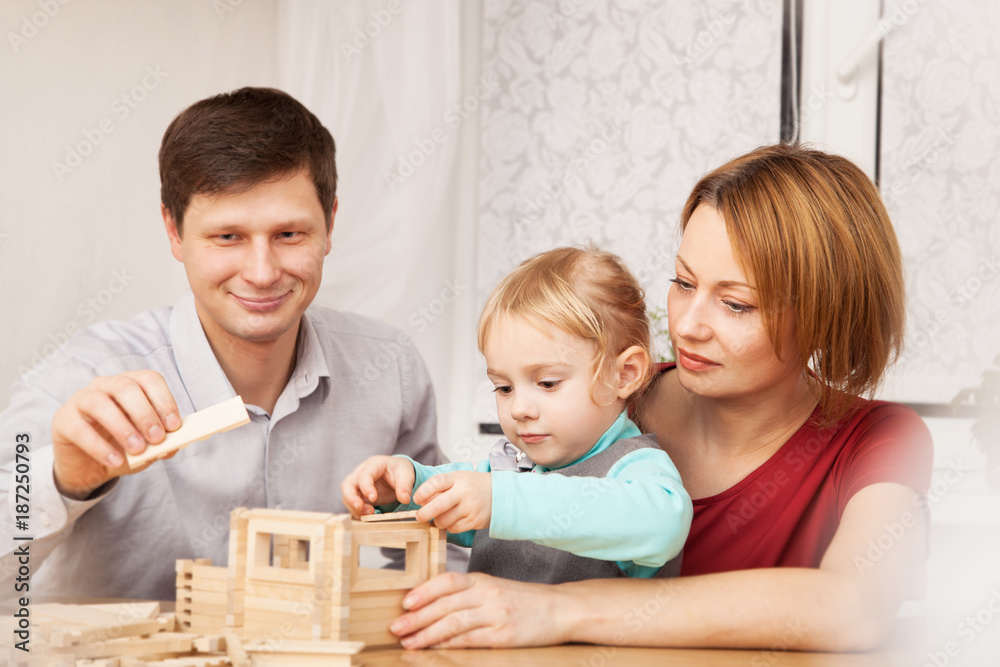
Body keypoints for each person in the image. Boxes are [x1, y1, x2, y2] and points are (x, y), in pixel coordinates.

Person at [386, 144, 934, 651]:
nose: (687, 326)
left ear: (828, 314)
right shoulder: (602, 399)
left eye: (736, 304)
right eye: (683, 282)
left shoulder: (879, 439)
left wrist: (557, 610)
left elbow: (852, 607)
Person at [0, 87, 445, 601]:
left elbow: (437, 554)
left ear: (329, 225)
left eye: (289, 234)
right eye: (227, 237)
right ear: (174, 231)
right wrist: (64, 481)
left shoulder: (390, 367)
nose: (262, 273)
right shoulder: (83, 378)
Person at [342, 247, 691, 583]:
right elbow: (453, 492)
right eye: (504, 388)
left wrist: (502, 501)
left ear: (624, 374)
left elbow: (662, 524)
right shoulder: (508, 467)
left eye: (548, 383)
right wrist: (404, 487)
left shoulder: (634, 467)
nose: (519, 409)